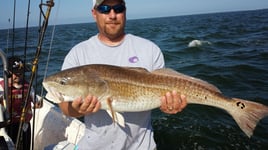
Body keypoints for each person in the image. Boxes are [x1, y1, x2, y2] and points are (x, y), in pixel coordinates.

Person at [60, 0, 187, 149]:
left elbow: (163, 96)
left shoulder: (150, 49)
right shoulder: (78, 53)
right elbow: (65, 107)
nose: (112, 15)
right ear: (94, 13)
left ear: (125, 11)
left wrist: (171, 106)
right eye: (105, 9)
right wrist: (78, 109)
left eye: (118, 9)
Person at [0, 56, 42, 150]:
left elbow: (35, 103)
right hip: (8, 125)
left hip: (24, 124)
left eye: (21, 73)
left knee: (25, 146)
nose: (19, 75)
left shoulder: (28, 87)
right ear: (9, 73)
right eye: (16, 73)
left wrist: (38, 104)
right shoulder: (2, 87)